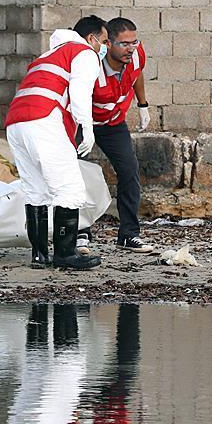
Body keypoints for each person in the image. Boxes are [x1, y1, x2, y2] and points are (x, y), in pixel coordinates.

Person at [5, 16, 109, 270]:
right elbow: (80, 90)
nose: (104, 47)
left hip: (16, 122)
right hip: (44, 121)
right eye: (104, 41)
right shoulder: (84, 52)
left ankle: (40, 255)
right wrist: (86, 126)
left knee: (36, 190)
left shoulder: (46, 56)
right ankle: (65, 254)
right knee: (69, 189)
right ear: (91, 39)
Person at [76, 17, 154, 255]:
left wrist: (143, 105)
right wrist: (82, 128)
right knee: (76, 174)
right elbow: (77, 96)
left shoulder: (135, 54)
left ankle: (129, 235)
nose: (131, 48)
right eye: (124, 44)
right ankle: (80, 232)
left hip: (113, 123)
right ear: (108, 43)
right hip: (83, 123)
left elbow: (137, 72)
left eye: (134, 42)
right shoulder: (90, 65)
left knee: (130, 170)